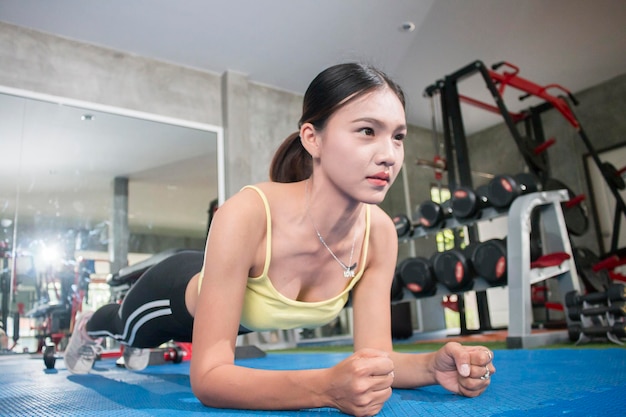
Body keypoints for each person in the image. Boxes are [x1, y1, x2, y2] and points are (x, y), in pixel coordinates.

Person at [64, 62, 495, 416]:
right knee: (126, 329)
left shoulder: (379, 232)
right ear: (313, 138)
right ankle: (90, 326)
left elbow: (376, 358)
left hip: (233, 294)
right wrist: (326, 388)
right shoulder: (247, 214)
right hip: (174, 296)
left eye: (398, 136)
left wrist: (430, 366)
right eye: (367, 131)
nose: (389, 154)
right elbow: (210, 378)